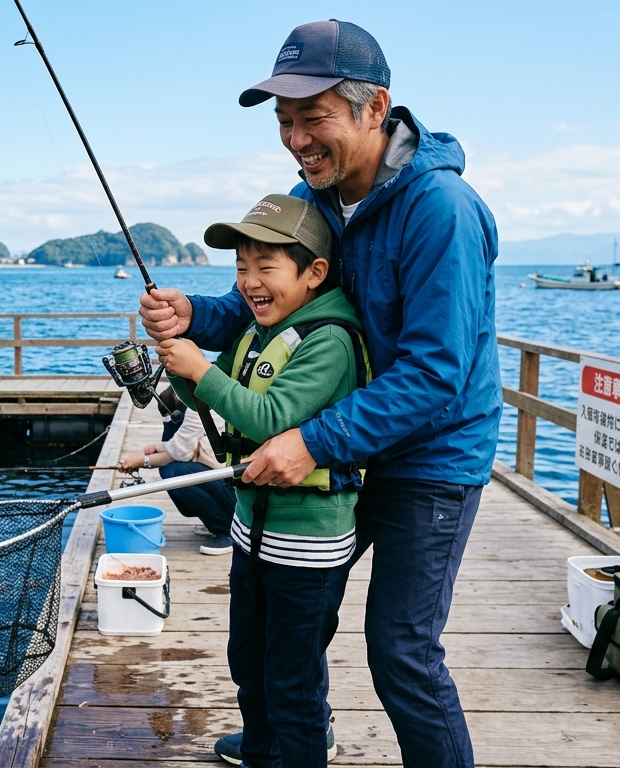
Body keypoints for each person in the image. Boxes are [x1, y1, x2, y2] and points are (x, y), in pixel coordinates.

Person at [139, 21, 500, 768]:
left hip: (428, 458)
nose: (297, 139)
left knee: (401, 652)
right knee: (291, 620)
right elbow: (273, 297)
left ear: (376, 110)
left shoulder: (442, 210)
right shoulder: (321, 196)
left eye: (314, 117)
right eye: (284, 121)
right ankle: (295, 737)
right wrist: (195, 317)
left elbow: (438, 374)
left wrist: (310, 441)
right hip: (346, 438)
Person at [161, 193, 365, 768]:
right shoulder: (254, 331)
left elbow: (271, 418)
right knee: (248, 659)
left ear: (314, 273)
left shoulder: (329, 341)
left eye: (265, 267)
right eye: (242, 268)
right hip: (252, 529)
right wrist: (179, 365)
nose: (250, 282)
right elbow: (214, 392)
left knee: (293, 682)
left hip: (307, 545)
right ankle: (258, 751)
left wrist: (200, 367)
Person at [119, 387, 235, 555]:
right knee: (170, 469)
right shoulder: (192, 400)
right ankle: (216, 521)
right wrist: (153, 449)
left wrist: (142, 460)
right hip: (221, 475)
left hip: (234, 483)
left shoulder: (199, 407)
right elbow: (178, 444)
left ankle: (227, 530)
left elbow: (178, 452)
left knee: (173, 472)